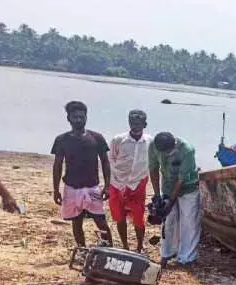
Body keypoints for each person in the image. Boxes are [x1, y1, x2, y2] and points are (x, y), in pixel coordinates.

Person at [51, 101, 113, 247]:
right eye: (75, 117)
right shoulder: (62, 140)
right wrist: (56, 189)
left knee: (101, 221)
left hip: (92, 187)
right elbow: (57, 165)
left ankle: (109, 250)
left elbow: (105, 162)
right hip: (71, 187)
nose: (78, 120)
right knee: (76, 222)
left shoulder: (96, 138)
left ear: (86, 117)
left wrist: (107, 186)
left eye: (81, 117)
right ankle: (81, 250)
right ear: (69, 118)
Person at [149, 132, 201, 265]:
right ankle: (167, 253)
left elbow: (181, 180)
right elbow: (153, 169)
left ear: (174, 145)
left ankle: (187, 257)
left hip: (188, 188)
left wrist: (170, 204)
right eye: (164, 152)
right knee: (168, 221)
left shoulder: (187, 150)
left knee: (189, 222)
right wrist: (157, 196)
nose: (166, 154)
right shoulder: (153, 146)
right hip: (167, 187)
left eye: (169, 151)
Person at [108, 109, 151, 252]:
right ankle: (125, 246)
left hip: (137, 184)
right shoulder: (118, 140)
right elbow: (111, 159)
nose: (135, 126)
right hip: (117, 183)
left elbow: (153, 162)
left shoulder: (150, 142)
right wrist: (115, 181)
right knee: (119, 217)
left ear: (144, 124)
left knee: (139, 218)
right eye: (132, 123)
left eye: (138, 123)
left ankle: (139, 246)